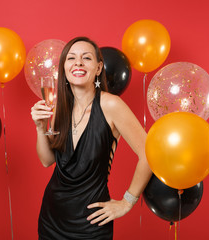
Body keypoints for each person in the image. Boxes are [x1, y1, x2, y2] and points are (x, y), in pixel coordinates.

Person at [31, 36, 152, 240]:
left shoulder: (111, 105)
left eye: (86, 58)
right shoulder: (60, 106)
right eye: (71, 58)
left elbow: (150, 153)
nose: (78, 62)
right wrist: (40, 127)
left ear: (98, 68)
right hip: (52, 218)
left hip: (91, 224)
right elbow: (47, 160)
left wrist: (127, 202)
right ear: (64, 68)